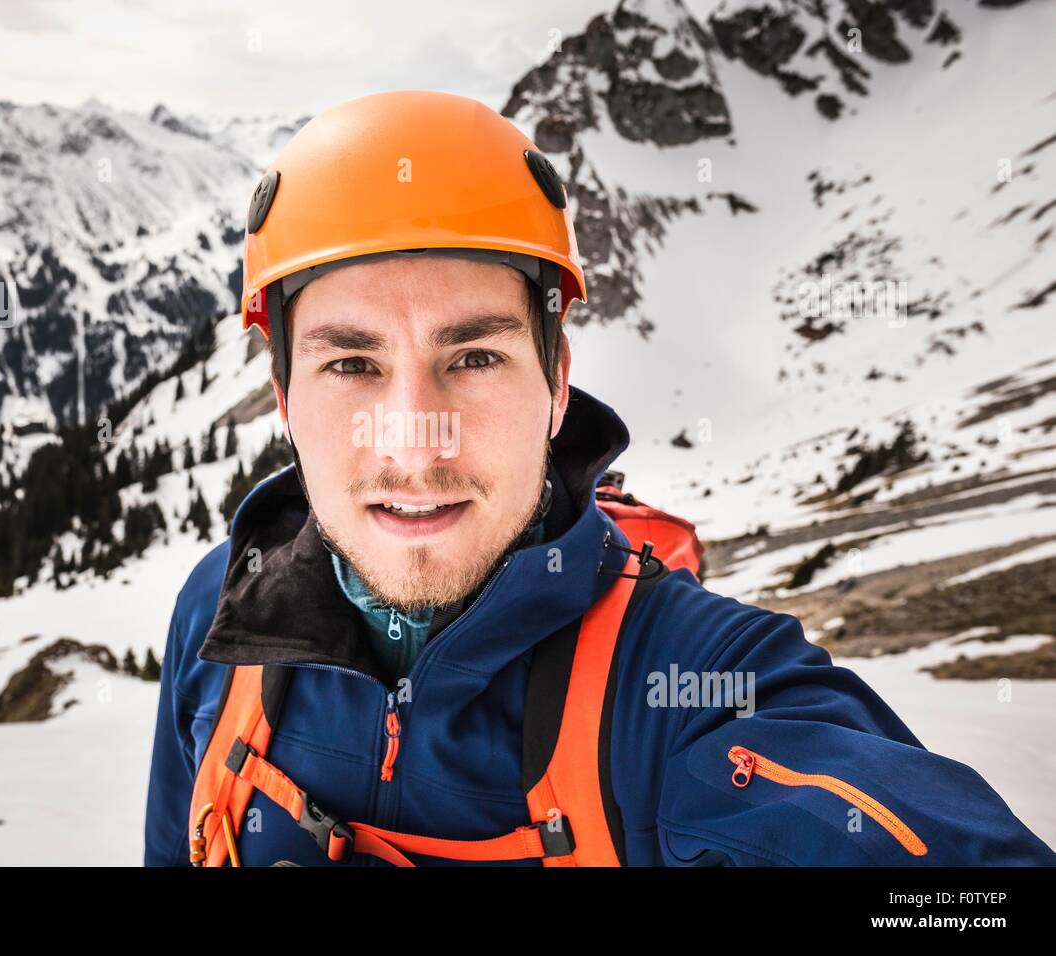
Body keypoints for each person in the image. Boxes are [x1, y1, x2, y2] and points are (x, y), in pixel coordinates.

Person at [144, 90, 1054, 867]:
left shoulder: (690, 688)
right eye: (352, 366)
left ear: (557, 383)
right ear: (284, 400)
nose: (415, 446)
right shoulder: (220, 617)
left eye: (474, 358)